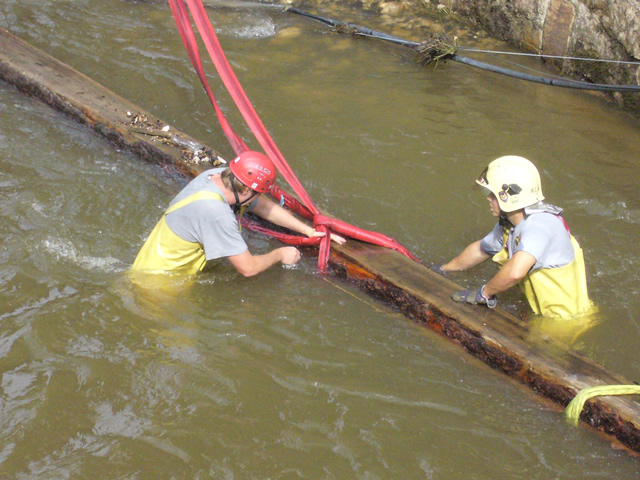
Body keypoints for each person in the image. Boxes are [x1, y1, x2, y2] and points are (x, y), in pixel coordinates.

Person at [132, 150, 345, 276]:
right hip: (163, 283)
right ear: (247, 190)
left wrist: (307, 231)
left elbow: (260, 205)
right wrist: (281, 254)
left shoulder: (215, 176)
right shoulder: (217, 213)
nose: (259, 198)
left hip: (148, 264)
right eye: (258, 193)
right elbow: (248, 268)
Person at [436, 155, 592, 318]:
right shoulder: (510, 225)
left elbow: (515, 272)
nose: (489, 199)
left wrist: (484, 293)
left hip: (564, 320)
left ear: (508, 197)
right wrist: (444, 270)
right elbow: (481, 250)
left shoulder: (541, 224)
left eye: (493, 195)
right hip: (542, 312)